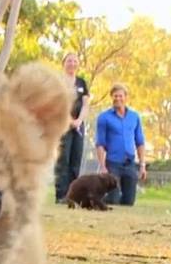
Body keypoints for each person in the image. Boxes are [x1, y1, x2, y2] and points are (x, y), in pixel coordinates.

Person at [95, 80, 147, 205]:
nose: (118, 98)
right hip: (112, 165)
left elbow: (140, 142)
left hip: (129, 164)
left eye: (120, 96)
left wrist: (142, 165)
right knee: (113, 200)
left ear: (125, 97)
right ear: (111, 98)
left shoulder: (134, 117)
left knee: (128, 202)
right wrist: (102, 166)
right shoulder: (104, 117)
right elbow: (100, 143)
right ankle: (98, 199)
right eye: (115, 96)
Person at [54, 63, 89, 199]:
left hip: (78, 126)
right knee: (63, 160)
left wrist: (79, 121)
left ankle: (73, 195)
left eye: (75, 61)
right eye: (69, 60)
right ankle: (61, 195)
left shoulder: (81, 82)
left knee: (76, 160)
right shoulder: (59, 81)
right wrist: (68, 120)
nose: (72, 64)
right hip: (63, 124)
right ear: (64, 64)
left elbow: (85, 104)